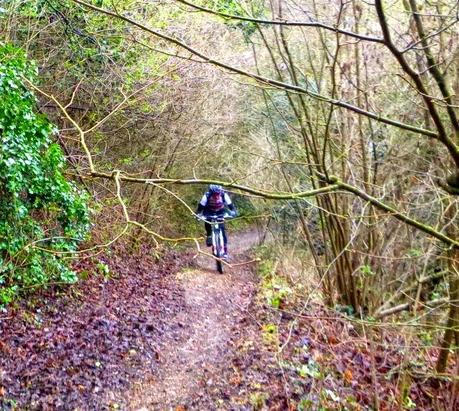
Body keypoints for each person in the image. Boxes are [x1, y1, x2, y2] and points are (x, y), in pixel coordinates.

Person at [196, 184, 237, 257]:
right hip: (209, 211)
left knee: (222, 230)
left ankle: (225, 251)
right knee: (207, 220)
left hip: (220, 212)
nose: (216, 196)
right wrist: (198, 214)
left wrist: (233, 212)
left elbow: (230, 205)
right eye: (214, 194)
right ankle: (209, 235)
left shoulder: (224, 195)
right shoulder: (207, 196)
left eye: (218, 194)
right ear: (211, 192)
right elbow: (201, 206)